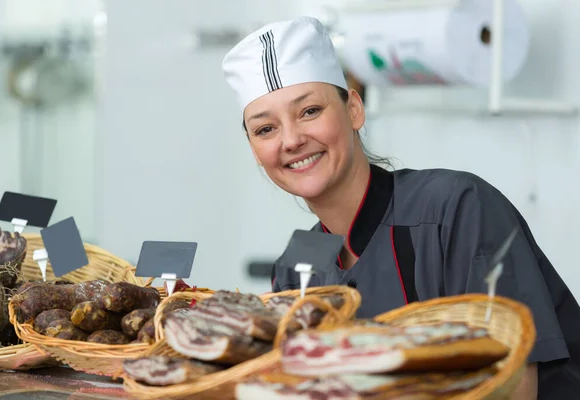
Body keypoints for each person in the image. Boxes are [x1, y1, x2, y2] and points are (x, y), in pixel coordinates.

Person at [221, 16, 580, 399]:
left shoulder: (456, 208)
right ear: (257, 152)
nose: (291, 140)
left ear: (354, 109)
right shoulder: (294, 270)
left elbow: (514, 387)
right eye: (265, 129)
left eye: (309, 111)